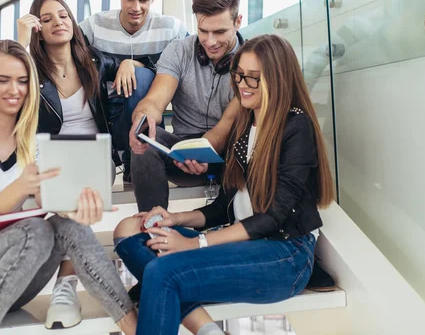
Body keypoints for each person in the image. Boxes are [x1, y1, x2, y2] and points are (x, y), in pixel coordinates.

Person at [114, 34, 335, 335]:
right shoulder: (246, 125)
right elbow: (223, 208)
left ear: (278, 79)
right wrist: (176, 219)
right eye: (239, 75)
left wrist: (193, 243)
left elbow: (273, 218)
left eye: (254, 78)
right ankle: (209, 330)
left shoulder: (295, 127)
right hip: (242, 242)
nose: (243, 85)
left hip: (284, 255)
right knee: (128, 229)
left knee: (163, 272)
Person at [0, 40, 137, 335]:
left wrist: (79, 211)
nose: (15, 90)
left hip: (13, 281)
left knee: (67, 224)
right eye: (3, 80)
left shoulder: (34, 144)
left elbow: (50, 201)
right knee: (35, 230)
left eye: (23, 81)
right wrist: (23, 184)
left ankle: (134, 326)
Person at [17, 0, 128, 328]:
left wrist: (128, 64)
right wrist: (21, 44)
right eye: (46, 19)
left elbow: (142, 64)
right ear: (37, 28)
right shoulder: (30, 69)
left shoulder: (93, 61)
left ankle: (65, 287)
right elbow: (4, 79)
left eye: (63, 15)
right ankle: (68, 283)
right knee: (66, 201)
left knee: (77, 195)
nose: (58, 22)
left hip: (94, 155)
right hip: (48, 155)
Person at [128, 0, 243, 212]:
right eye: (203, 31)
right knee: (148, 138)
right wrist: (142, 120)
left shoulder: (251, 59)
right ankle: (154, 226)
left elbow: (224, 129)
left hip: (230, 156)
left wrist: (200, 151)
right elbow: (154, 101)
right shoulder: (178, 50)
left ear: (238, 22)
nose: (210, 42)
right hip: (181, 154)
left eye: (219, 32)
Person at [79, 0, 188, 181]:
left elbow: (189, 68)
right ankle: (123, 155)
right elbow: (70, 59)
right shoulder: (95, 26)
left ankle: (133, 157)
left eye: (143, 0)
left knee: (140, 76)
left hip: (146, 108)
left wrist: (135, 64)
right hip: (105, 111)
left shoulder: (171, 29)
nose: (136, 7)